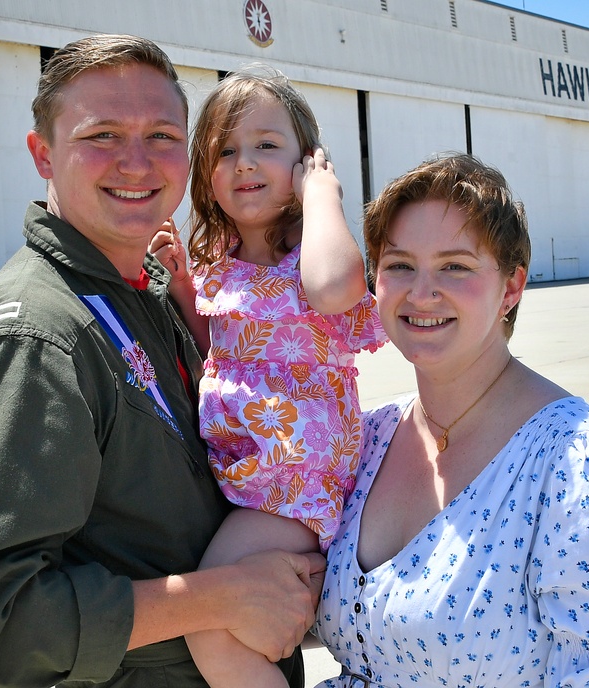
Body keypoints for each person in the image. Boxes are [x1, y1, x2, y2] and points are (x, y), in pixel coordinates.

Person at [0, 35, 324, 688]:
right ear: (43, 155)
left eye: (163, 136)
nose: (137, 164)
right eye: (103, 135)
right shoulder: (32, 339)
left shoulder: (152, 290)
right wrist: (219, 596)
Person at [314, 154, 589, 687]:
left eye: (455, 266)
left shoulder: (575, 469)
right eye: (399, 264)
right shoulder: (365, 439)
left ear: (511, 288)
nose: (421, 292)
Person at [150, 66, 386, 688]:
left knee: (208, 621)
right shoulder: (217, 264)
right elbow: (220, 355)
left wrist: (322, 196)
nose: (244, 163)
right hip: (247, 483)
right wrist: (181, 286)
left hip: (290, 489)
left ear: (305, 160)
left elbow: (336, 288)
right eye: (225, 150)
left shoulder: (312, 255)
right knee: (228, 625)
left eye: (266, 146)